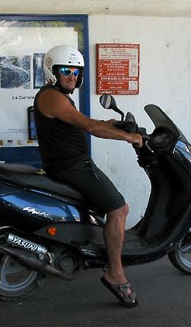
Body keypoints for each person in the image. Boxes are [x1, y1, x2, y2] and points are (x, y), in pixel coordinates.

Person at [33, 45, 143, 307]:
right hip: (74, 167)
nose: (72, 76)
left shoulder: (57, 97)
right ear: (53, 72)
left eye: (76, 72)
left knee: (102, 209)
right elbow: (90, 128)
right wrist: (130, 137)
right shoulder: (52, 97)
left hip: (70, 164)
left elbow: (82, 122)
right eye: (66, 71)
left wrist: (109, 124)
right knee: (119, 209)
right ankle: (115, 274)